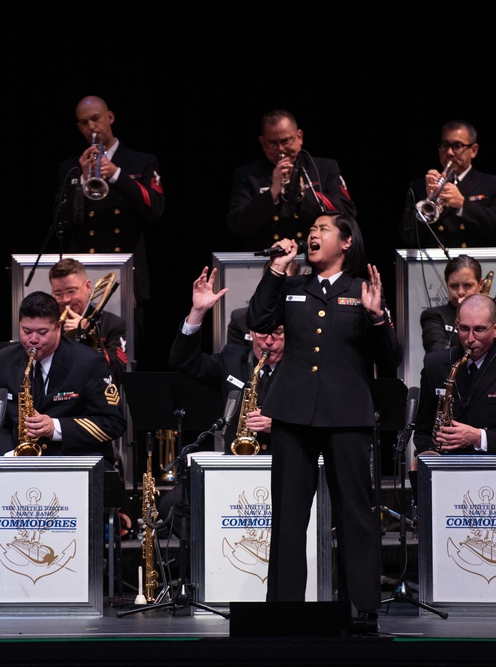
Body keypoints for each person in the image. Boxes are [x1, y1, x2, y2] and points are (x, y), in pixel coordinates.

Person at [247, 212, 402, 624]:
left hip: (347, 414)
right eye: (311, 230)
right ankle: (282, 611)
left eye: (323, 230)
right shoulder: (293, 285)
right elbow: (259, 321)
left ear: (347, 242)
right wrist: (275, 270)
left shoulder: (362, 290)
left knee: (355, 513)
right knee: (288, 515)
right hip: (293, 414)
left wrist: (377, 316)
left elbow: (390, 362)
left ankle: (361, 609)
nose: (312, 235)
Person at [55, 95, 164, 361]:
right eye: (83, 123)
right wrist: (81, 180)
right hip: (83, 270)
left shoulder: (140, 161)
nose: (91, 127)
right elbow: (61, 222)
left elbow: (155, 208)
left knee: (124, 354)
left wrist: (116, 174)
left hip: (127, 273)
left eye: (95, 119)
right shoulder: (70, 168)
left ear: (110, 118)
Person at [0, 291, 126, 463]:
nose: (33, 340)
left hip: (75, 461)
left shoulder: (88, 362)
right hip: (16, 460)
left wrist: (56, 427)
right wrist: (9, 456)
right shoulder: (4, 360)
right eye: (26, 331)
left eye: (42, 332)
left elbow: (113, 423)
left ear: (59, 327)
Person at [412, 294, 496, 456]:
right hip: (446, 470)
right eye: (464, 329)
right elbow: (423, 431)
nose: (470, 339)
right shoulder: (434, 365)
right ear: (456, 324)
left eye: (479, 330)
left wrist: (479, 438)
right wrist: (430, 456)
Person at [169, 266, 286, 453]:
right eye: (263, 333)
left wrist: (280, 425)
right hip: (238, 465)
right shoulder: (232, 359)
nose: (269, 342)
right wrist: (197, 312)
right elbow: (183, 361)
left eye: (278, 333)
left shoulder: (302, 365)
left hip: (285, 463)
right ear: (251, 332)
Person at [227, 109, 356, 251]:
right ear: (262, 143)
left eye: (285, 141)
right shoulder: (248, 174)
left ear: (299, 137)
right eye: (272, 143)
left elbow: (347, 213)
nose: (281, 149)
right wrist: (272, 193)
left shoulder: (325, 168)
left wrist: (305, 195)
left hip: (314, 258)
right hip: (267, 259)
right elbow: (237, 224)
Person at [400, 120, 496, 250]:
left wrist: (462, 204)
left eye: (457, 146)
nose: (449, 152)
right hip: (432, 266)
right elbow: (407, 238)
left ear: (474, 150)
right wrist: (427, 197)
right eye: (445, 145)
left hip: (474, 266)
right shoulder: (418, 186)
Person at [49, 257, 128, 384]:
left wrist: (89, 335)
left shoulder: (114, 324)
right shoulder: (50, 323)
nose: (65, 299)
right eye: (58, 293)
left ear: (88, 287)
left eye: (71, 291)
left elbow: (119, 372)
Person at [420, 255, 486, 352]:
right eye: (454, 286)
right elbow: (438, 354)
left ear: (480, 284)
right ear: (447, 285)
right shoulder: (434, 316)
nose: (460, 292)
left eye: (467, 285)